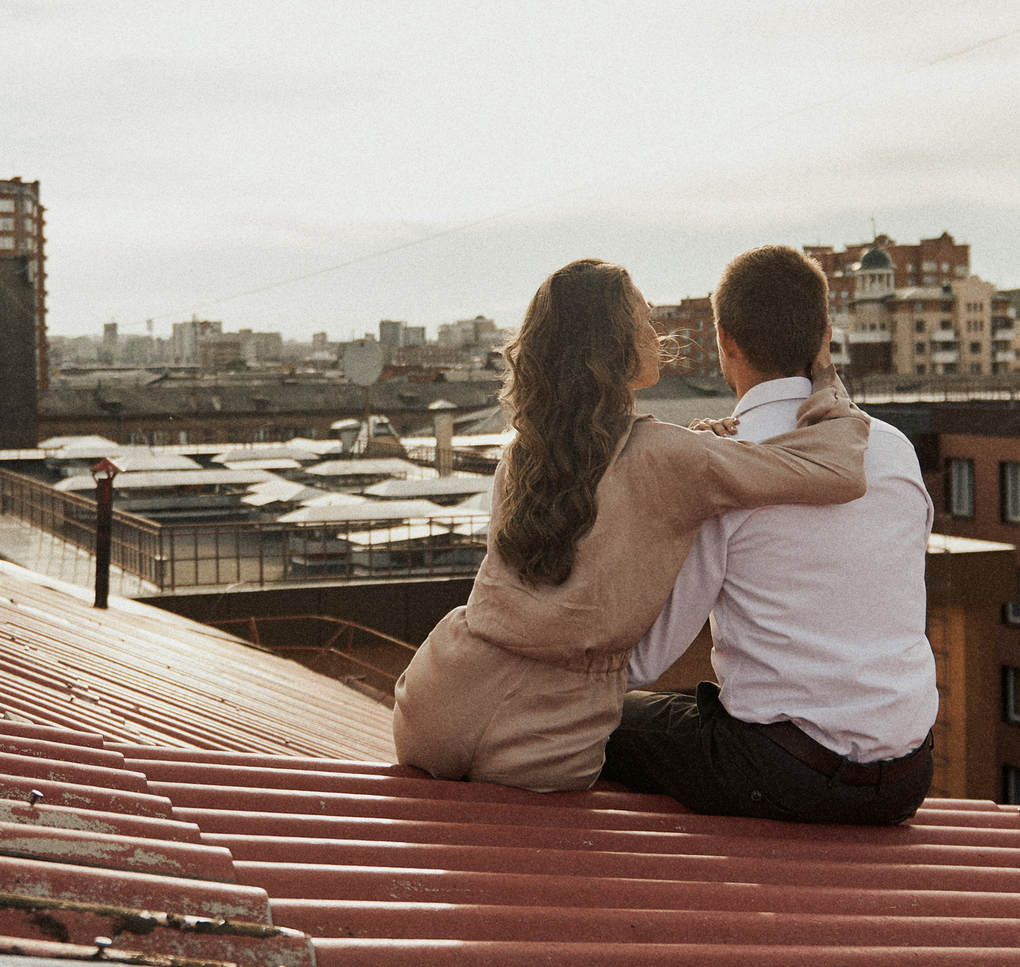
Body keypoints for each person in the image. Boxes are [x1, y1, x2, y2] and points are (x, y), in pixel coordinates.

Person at [391, 257, 873, 793]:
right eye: (643, 317)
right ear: (613, 343)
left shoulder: (523, 455)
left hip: (438, 699)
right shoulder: (673, 457)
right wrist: (825, 378)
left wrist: (697, 450)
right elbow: (840, 471)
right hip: (550, 732)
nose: (655, 331)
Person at [602, 244, 936, 823]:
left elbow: (647, 659)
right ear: (824, 337)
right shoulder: (894, 450)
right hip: (905, 778)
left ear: (725, 340)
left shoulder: (723, 465)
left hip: (782, 774)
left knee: (605, 722)